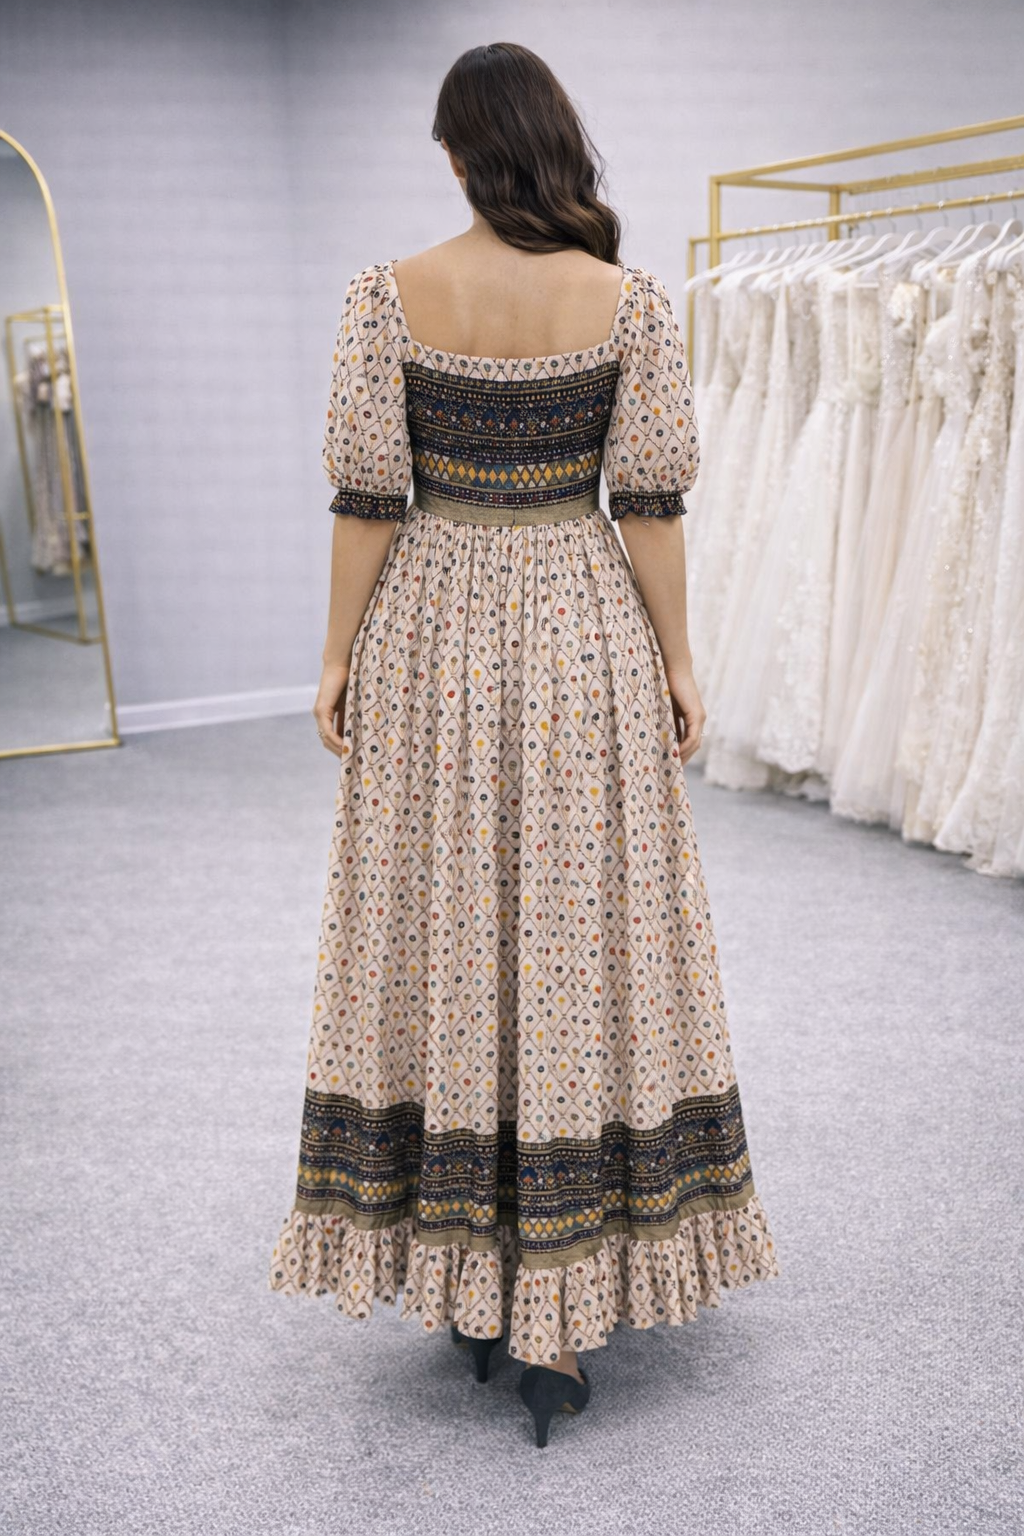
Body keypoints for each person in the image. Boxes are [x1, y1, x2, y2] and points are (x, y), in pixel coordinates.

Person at [269, 40, 780, 1449]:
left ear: (456, 154)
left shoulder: (386, 295)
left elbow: (367, 500)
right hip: (577, 631)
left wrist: (336, 657)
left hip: (431, 633)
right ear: (556, 147)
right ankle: (563, 1303)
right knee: (576, 929)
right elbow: (651, 504)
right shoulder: (631, 301)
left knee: (442, 923)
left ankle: (470, 1270)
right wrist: (679, 660)